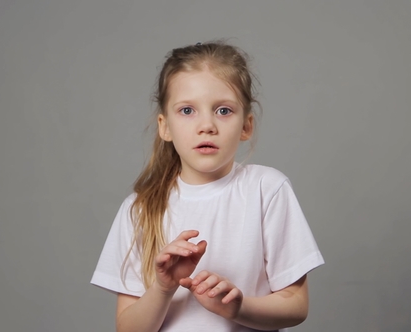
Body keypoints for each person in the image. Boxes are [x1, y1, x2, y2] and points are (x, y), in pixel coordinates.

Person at [91, 41, 324, 331]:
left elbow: (295, 305)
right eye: (187, 110)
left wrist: (238, 307)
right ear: (165, 126)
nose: (207, 125)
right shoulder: (139, 209)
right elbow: (128, 328)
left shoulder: (267, 190)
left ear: (246, 126)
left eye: (223, 111)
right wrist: (163, 288)